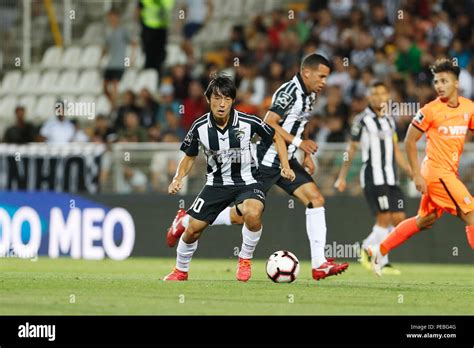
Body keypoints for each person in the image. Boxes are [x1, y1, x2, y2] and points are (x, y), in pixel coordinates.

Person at [167, 54, 349, 281]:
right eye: (321, 76)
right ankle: (185, 220)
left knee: (315, 200)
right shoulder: (288, 93)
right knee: (247, 215)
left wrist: (304, 154)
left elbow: (302, 121)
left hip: (287, 159)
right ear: (307, 73)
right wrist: (301, 143)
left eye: (326, 77)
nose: (324, 81)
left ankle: (319, 263)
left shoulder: (310, 94)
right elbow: (270, 123)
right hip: (264, 161)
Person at [163, 74, 295, 281]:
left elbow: (277, 136)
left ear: (233, 101)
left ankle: (244, 259)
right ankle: (180, 270)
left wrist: (285, 166)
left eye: (226, 99)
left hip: (248, 180)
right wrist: (177, 178)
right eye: (216, 98)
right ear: (208, 100)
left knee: (252, 213)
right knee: (193, 231)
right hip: (216, 184)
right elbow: (189, 157)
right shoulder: (199, 127)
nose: (221, 104)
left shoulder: (248, 121)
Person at [368, 58, 474, 276]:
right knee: (472, 215)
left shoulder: (468, 108)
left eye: (444, 81)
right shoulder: (430, 110)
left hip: (447, 173)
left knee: (425, 220)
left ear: (456, 83)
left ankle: (379, 250)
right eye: (436, 81)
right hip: (436, 174)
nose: (439, 86)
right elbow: (409, 141)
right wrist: (416, 174)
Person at [334, 81, 413, 275]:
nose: (379, 97)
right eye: (375, 93)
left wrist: (412, 172)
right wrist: (342, 177)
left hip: (391, 177)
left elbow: (396, 151)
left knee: (399, 219)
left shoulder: (390, 120)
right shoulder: (362, 120)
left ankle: (365, 247)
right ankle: (382, 261)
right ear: (369, 97)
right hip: (373, 177)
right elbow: (351, 148)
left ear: (388, 97)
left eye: (383, 93)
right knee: (384, 217)